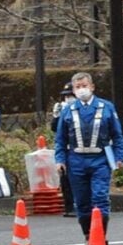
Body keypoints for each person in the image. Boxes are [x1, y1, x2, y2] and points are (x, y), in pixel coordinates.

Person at [53, 72, 123, 245]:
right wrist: (60, 159)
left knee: (100, 196)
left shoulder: (106, 107)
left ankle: (100, 234)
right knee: (82, 200)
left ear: (92, 87)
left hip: (100, 158)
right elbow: (60, 138)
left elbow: (117, 135)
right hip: (76, 159)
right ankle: (88, 235)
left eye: (84, 86)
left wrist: (119, 157)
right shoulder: (68, 110)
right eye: (77, 87)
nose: (81, 90)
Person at [50, 83, 76, 216]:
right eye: (66, 96)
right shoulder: (62, 110)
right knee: (65, 178)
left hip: (78, 149)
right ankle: (69, 206)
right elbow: (55, 129)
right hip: (65, 149)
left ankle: (80, 205)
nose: (68, 98)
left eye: (71, 95)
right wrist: (56, 116)